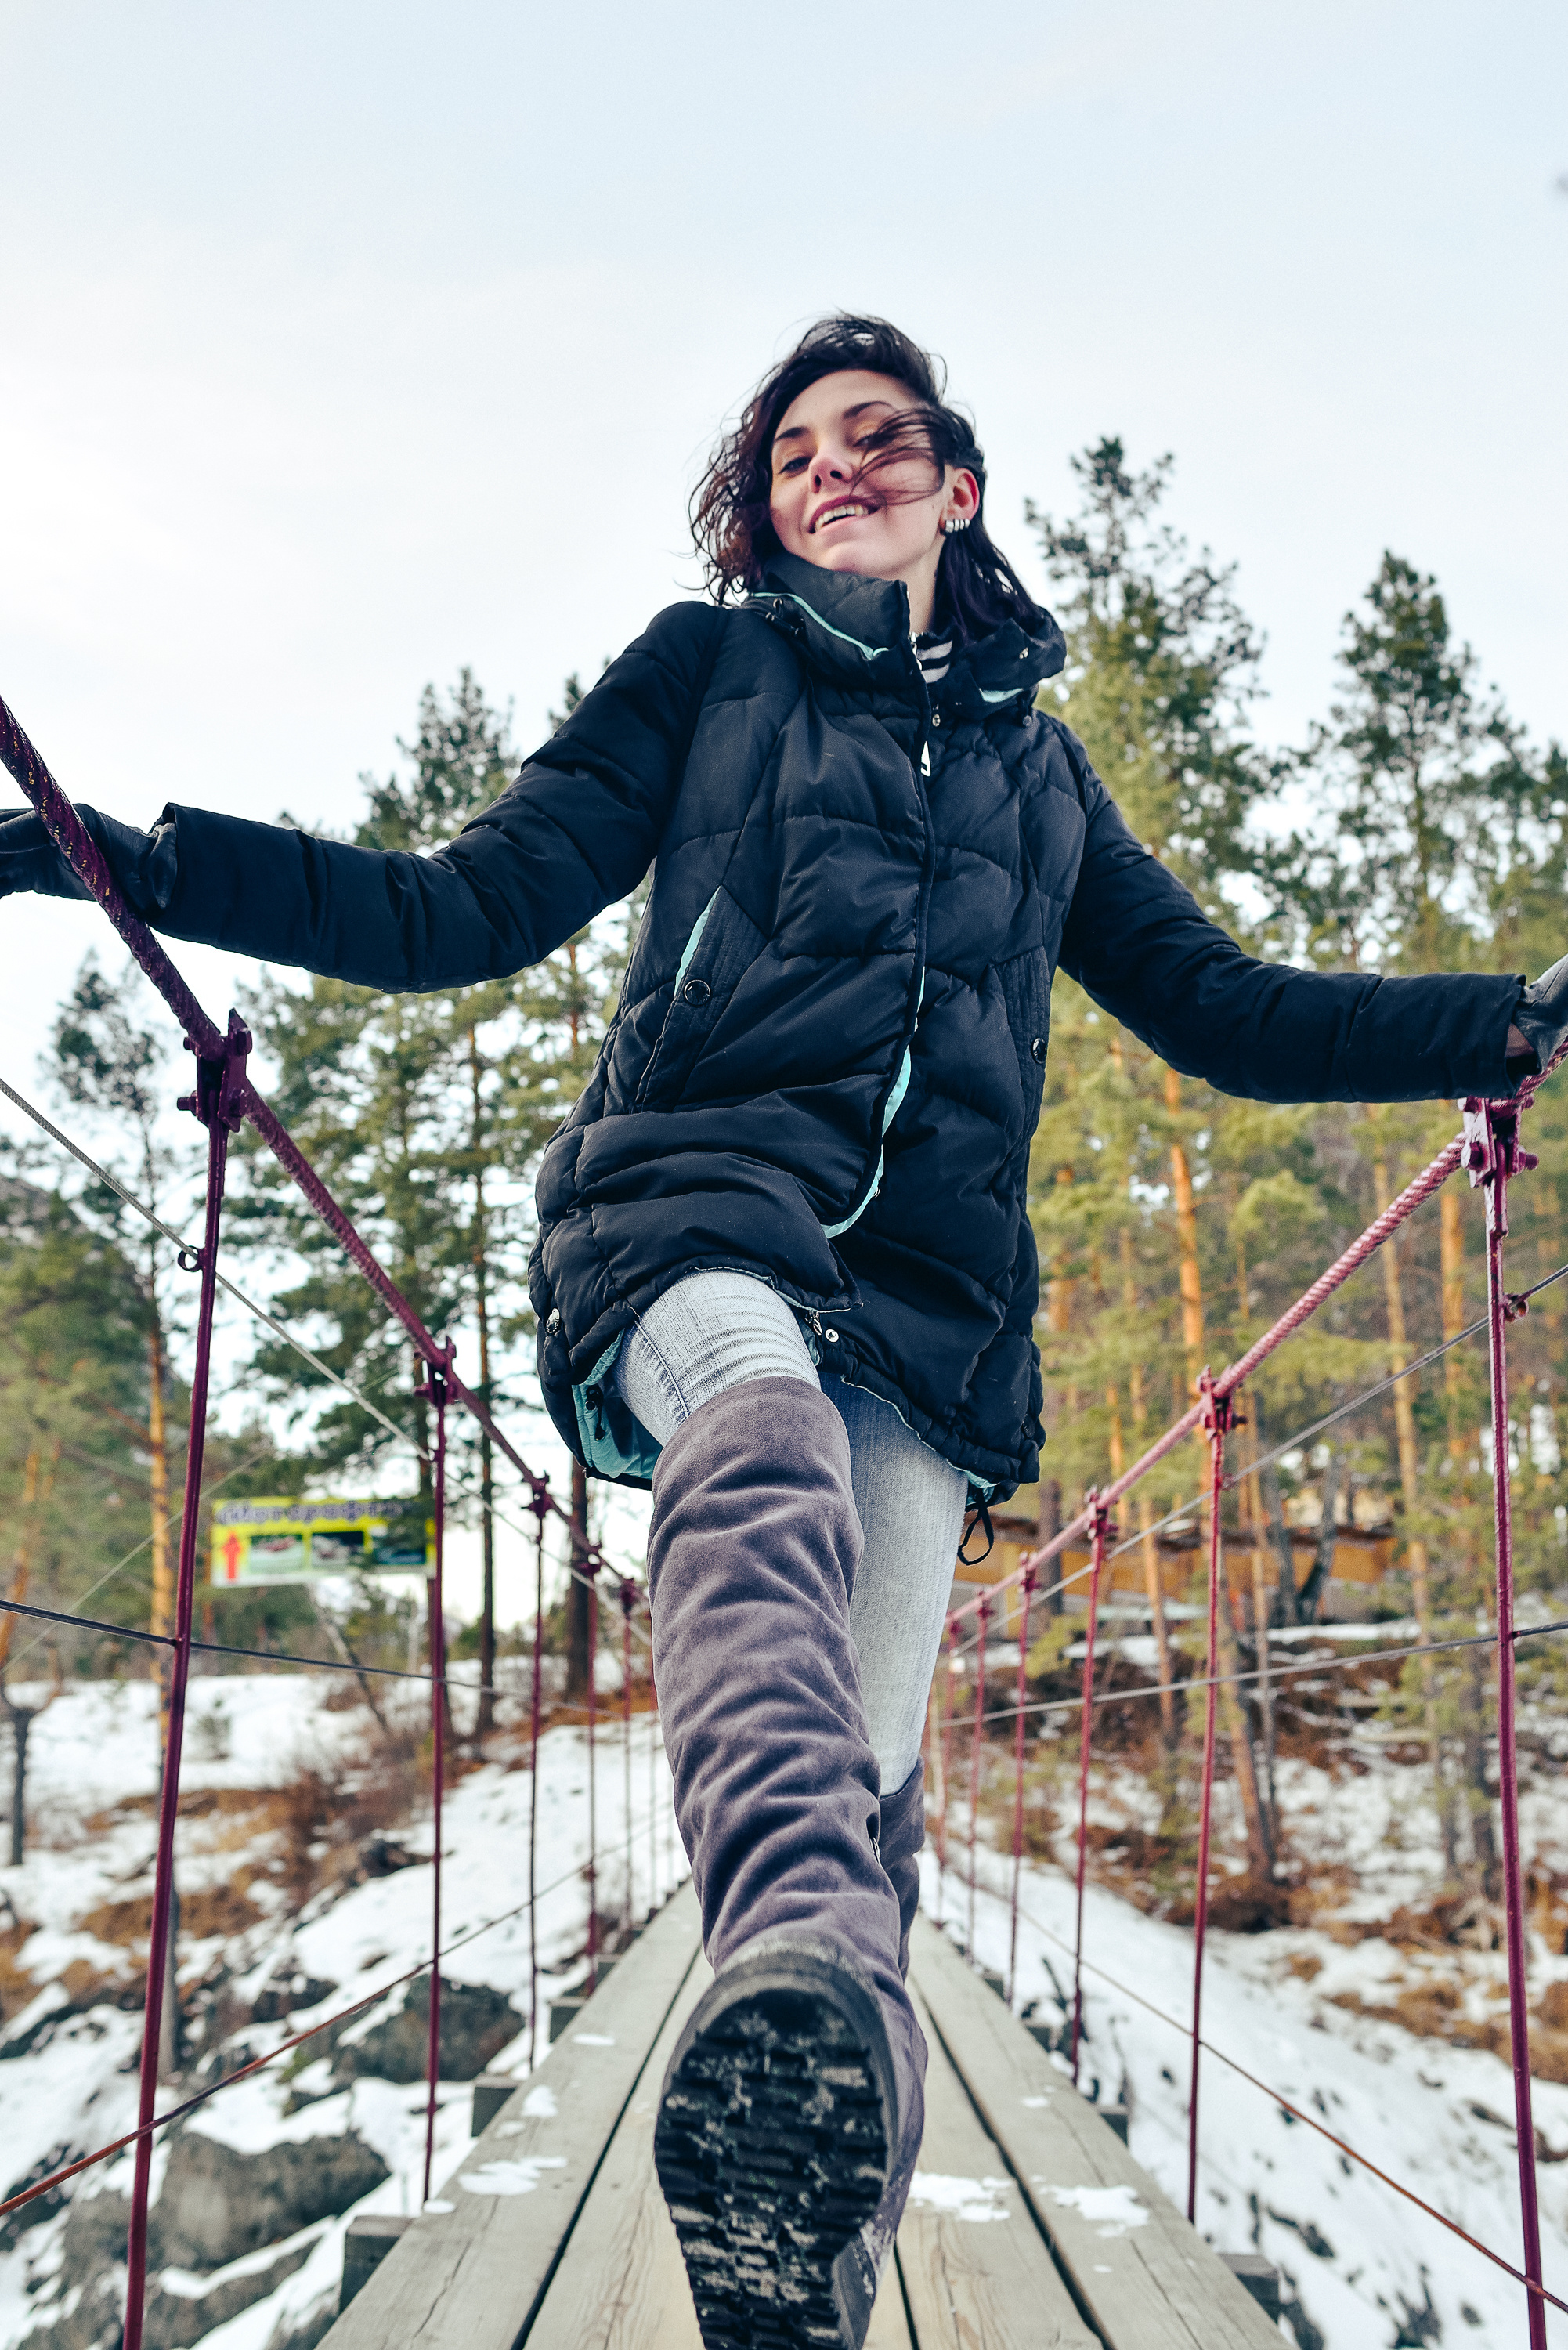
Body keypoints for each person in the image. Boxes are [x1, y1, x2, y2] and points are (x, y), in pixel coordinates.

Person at [3, 313, 1564, 2349]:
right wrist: (128, 862)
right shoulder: (703, 670)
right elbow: (459, 908)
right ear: (763, 504)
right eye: (794, 450)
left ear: (954, 485)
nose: (833, 468)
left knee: (870, 1773)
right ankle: (799, 1951)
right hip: (688, 1211)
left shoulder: (1039, 772)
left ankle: (795, 2262)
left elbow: (1226, 1009)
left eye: (876, 437)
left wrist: (1504, 1017)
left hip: (925, 1319)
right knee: (752, 1440)